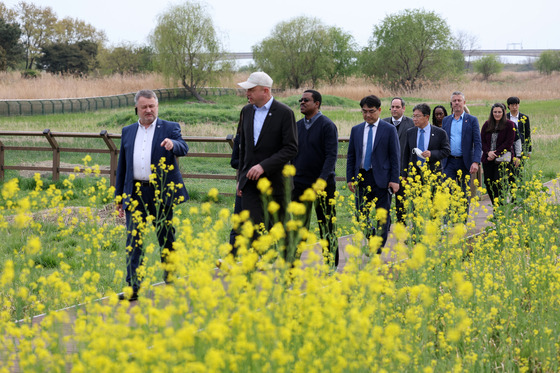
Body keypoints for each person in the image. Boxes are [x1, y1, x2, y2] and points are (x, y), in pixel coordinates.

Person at [115, 89, 189, 301]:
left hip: (160, 192)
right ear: (136, 108)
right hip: (135, 192)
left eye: (152, 106)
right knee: (133, 239)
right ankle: (133, 286)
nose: (149, 110)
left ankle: (171, 278)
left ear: (157, 106)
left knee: (166, 237)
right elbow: (123, 166)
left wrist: (173, 145)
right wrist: (120, 196)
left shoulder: (170, 127)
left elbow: (183, 147)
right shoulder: (128, 131)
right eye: (144, 107)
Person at [236, 72, 298, 233]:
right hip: (250, 184)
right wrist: (240, 178)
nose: (247, 93)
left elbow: (291, 148)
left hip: (277, 184)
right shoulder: (246, 111)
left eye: (251, 89)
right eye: (247, 90)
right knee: (253, 232)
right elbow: (244, 148)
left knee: (282, 232)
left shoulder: (285, 113)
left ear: (265, 90)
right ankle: (257, 259)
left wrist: (263, 166)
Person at [347, 95, 400, 251]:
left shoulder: (389, 130)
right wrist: (350, 177)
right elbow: (351, 156)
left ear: (379, 110)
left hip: (382, 179)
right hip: (362, 178)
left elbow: (395, 156)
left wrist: (394, 179)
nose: (368, 115)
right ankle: (372, 237)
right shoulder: (356, 130)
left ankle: (378, 249)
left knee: (382, 216)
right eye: (364, 111)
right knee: (360, 215)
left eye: (371, 111)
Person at [292, 90, 339, 266]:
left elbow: (331, 156)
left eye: (306, 100)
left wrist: (322, 180)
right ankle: (293, 265)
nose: (302, 103)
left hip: (323, 185)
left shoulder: (327, 125)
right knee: (297, 226)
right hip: (299, 184)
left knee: (326, 226)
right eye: (301, 100)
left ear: (317, 103)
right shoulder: (296, 126)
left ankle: (331, 264)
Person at [442, 91, 482, 194]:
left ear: (464, 102)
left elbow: (477, 143)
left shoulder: (472, 120)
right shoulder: (446, 120)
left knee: (464, 193)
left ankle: (464, 211)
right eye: (454, 101)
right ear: (451, 103)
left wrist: (476, 162)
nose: (456, 103)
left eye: (459, 100)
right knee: (448, 192)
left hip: (465, 162)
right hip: (449, 162)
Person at [382, 97, 414, 224]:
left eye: (397, 107)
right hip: (385, 168)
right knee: (385, 199)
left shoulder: (411, 123)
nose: (394, 109)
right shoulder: (383, 123)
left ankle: (402, 224)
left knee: (402, 199)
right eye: (392, 107)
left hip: (403, 167)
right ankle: (385, 225)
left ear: (403, 108)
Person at [403, 103, 450, 180]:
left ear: (427, 117)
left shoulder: (440, 133)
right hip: (415, 175)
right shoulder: (410, 132)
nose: (414, 119)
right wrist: (405, 174)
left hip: (433, 175)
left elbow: (446, 151)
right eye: (413, 116)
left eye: (418, 116)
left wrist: (431, 154)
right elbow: (406, 154)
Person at [481, 103, 516, 206]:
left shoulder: (509, 125)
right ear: (492, 113)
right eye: (495, 112)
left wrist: (495, 153)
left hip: (502, 160)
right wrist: (488, 152)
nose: (497, 114)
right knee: (488, 184)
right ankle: (495, 205)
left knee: (498, 183)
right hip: (488, 159)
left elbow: (508, 142)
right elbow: (482, 141)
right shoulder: (487, 124)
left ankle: (499, 208)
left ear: (504, 112)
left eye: (499, 112)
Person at [506, 96, 532, 163]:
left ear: (519, 105)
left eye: (516, 105)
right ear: (508, 106)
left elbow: (527, 135)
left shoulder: (525, 118)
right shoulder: (505, 118)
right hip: (508, 146)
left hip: (521, 147)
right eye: (512, 105)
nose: (514, 107)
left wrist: (529, 151)